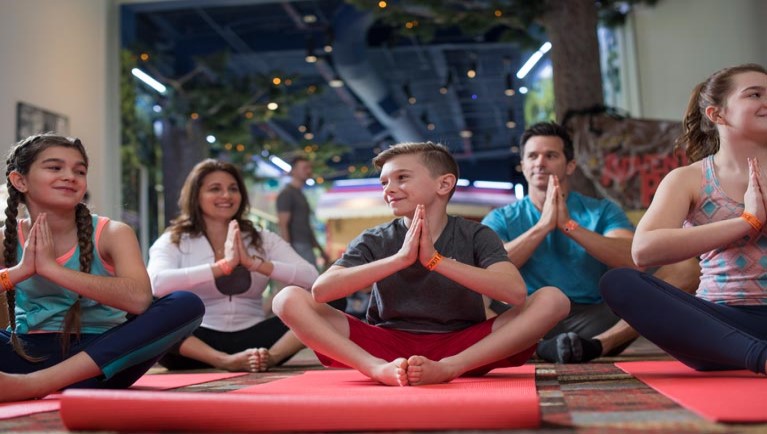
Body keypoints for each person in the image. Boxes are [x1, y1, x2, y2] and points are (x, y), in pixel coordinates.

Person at [272, 142, 570, 386]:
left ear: (444, 184)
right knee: (287, 298)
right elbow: (321, 291)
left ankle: (451, 369)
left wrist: (435, 261)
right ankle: (375, 370)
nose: (389, 188)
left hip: (463, 345)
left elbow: (514, 293)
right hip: (385, 346)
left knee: (553, 299)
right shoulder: (374, 238)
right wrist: (400, 259)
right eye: (385, 182)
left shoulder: (476, 234)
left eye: (402, 177)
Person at [0, 134, 204, 402]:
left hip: (100, 359)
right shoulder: (6, 237)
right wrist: (23, 270)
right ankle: (30, 382)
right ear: (20, 180)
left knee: (185, 304)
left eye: (79, 170)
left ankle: (37, 385)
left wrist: (53, 270)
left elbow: (140, 300)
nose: (70, 176)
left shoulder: (113, 233)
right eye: (54, 167)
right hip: (24, 352)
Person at [482, 122, 699, 363]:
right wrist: (541, 228)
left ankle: (599, 345)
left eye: (551, 155)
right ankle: (537, 348)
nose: (540, 163)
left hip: (593, 320)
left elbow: (634, 258)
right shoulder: (500, 218)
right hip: (523, 319)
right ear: (523, 166)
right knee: (458, 281)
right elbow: (488, 271)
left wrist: (569, 226)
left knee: (686, 268)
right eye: (532, 156)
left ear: (570, 165)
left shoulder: (602, 210)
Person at [600, 63, 767, 374]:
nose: (765, 101)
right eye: (754, 94)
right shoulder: (688, 179)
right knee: (620, 283)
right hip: (717, 327)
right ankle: (759, 356)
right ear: (717, 115)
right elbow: (644, 250)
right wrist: (746, 222)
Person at [148, 159, 319, 372]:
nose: (226, 196)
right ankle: (222, 360)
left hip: (258, 342)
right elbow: (155, 284)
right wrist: (223, 266)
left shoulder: (262, 238)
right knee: (141, 307)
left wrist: (256, 264)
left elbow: (313, 278)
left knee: (329, 296)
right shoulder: (175, 239)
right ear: (196, 195)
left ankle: (272, 358)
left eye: (233, 189)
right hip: (195, 344)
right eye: (215, 189)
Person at [276, 155, 330, 268]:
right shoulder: (287, 194)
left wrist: (320, 250)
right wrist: (287, 253)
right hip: (296, 247)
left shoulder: (300, 194)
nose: (309, 171)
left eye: (310, 168)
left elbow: (306, 225)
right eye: (305, 168)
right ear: (294, 171)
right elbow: (283, 224)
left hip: (306, 245)